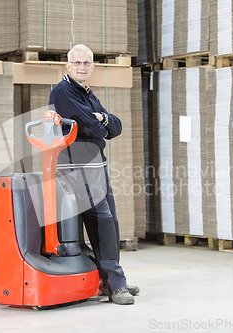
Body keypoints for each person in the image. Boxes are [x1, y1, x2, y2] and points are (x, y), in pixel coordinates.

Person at [48, 44, 139, 305]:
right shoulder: (63, 91)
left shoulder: (86, 93)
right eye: (77, 63)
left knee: (111, 224)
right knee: (102, 222)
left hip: (96, 166)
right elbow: (93, 126)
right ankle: (116, 285)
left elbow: (115, 126)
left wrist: (102, 119)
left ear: (93, 66)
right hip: (78, 168)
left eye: (86, 63)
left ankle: (111, 282)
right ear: (68, 66)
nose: (82, 67)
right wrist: (101, 121)